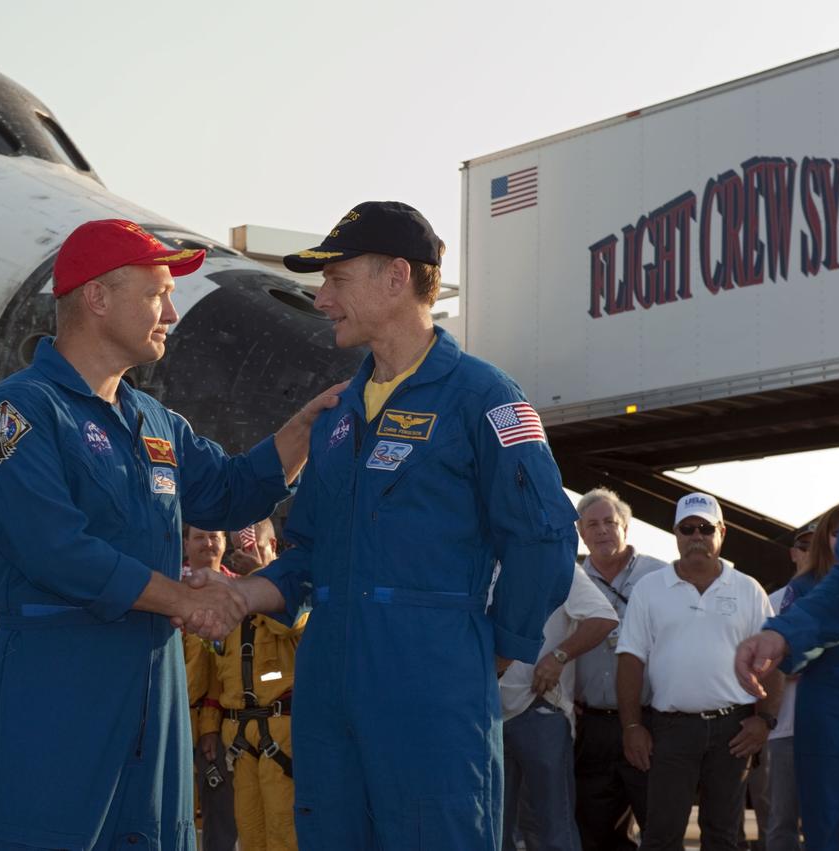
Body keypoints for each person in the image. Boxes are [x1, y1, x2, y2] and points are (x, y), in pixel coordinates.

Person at [191, 201, 578, 849]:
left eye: (336, 279)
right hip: (327, 698)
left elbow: (545, 537)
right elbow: (309, 551)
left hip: (432, 694)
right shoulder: (338, 418)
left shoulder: (484, 396)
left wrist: (492, 649)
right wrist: (242, 594)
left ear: (396, 277)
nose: (321, 299)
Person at [0, 218, 338, 849]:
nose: (170, 312)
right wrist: (187, 600)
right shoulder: (19, 412)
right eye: (157, 293)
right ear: (96, 297)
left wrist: (306, 424)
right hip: (60, 673)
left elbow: (230, 491)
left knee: (156, 835)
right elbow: (56, 550)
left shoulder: (153, 419)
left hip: (154, 673)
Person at [616, 493, 781, 851]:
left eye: (706, 528)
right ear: (676, 534)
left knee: (724, 836)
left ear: (721, 532)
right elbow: (630, 660)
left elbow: (772, 658)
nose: (697, 536)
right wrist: (631, 726)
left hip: (732, 730)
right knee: (661, 835)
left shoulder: (748, 589)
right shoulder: (650, 589)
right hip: (670, 728)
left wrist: (765, 719)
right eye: (688, 528)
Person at [737, 504, 839, 851]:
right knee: (791, 821)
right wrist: (779, 638)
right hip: (798, 728)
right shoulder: (798, 593)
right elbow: (821, 612)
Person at [571, 488, 669, 850]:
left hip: (649, 722)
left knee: (658, 827)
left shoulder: (661, 578)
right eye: (591, 524)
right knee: (595, 834)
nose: (601, 531)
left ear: (626, 527)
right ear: (581, 533)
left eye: (609, 523)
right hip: (592, 726)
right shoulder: (570, 581)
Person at [198, 520, 305, 851]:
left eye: (253, 545)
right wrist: (209, 729)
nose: (245, 553)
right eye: (240, 548)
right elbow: (220, 674)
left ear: (273, 546)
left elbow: (296, 629)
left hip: (281, 732)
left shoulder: (297, 593)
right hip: (240, 738)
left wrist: (262, 575)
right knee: (249, 830)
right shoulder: (233, 606)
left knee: (283, 829)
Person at [499, 563, 618, 851]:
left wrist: (558, 656)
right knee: (491, 829)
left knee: (549, 829)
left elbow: (603, 617)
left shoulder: (556, 561)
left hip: (538, 710)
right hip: (483, 714)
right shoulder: (473, 557)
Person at [182, 527, 239, 851]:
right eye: (199, 537)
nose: (208, 543)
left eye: (214, 536)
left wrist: (210, 727)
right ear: (185, 542)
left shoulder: (243, 593)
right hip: (172, 719)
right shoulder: (166, 591)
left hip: (221, 729)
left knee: (221, 824)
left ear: (226, 542)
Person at [762, 521, 814, 851]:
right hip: (784, 730)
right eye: (804, 546)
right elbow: (759, 662)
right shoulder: (771, 602)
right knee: (780, 821)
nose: (812, 552)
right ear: (793, 553)